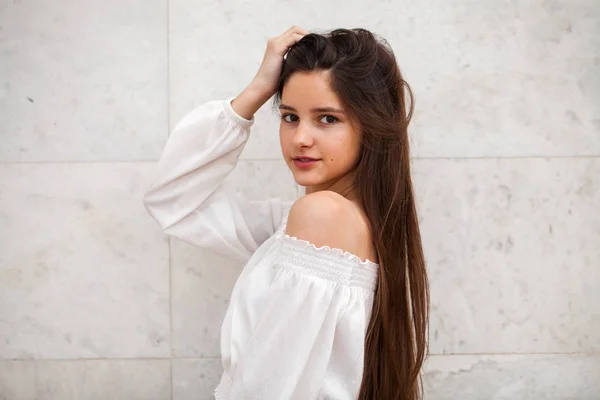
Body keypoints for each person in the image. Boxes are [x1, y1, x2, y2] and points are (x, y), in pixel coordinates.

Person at [144, 26, 429, 400]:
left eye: (327, 118)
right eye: (290, 116)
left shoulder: (321, 217)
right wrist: (257, 91)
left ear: (372, 127)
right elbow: (175, 202)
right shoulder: (333, 222)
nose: (300, 138)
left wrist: (255, 93)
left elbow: (265, 390)